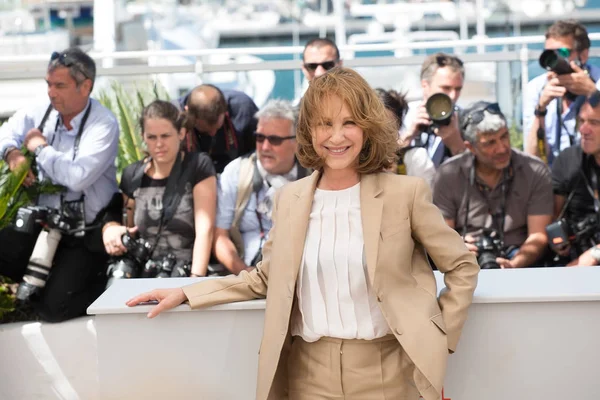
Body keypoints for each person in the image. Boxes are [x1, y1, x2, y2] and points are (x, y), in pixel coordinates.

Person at [128, 67, 479, 400]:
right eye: (324, 123)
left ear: (368, 127)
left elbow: (462, 266)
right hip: (308, 376)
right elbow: (264, 278)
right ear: (309, 130)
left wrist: (439, 334)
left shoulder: (406, 193)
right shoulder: (290, 199)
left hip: (390, 372)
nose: (336, 136)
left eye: (349, 123)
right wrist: (187, 293)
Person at [0, 47, 119, 321]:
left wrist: (39, 148)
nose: (51, 93)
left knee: (54, 310)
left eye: (60, 85)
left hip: (84, 234)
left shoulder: (103, 124)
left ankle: (96, 286)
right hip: (42, 227)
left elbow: (78, 177)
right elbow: (6, 130)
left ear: (85, 86)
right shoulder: (43, 110)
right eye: (48, 85)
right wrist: (12, 153)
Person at [102, 100, 217, 281]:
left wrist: (195, 281)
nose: (159, 144)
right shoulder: (133, 175)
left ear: (181, 133)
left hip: (184, 270)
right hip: (143, 272)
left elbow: (206, 229)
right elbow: (127, 224)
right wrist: (112, 230)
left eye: (165, 136)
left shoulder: (197, 166)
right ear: (143, 136)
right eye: (151, 137)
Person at [433, 101, 553, 269]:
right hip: (465, 263)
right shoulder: (448, 174)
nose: (502, 148)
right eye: (490, 143)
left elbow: (538, 236)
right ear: (470, 147)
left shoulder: (534, 170)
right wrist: (456, 247)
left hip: (521, 261)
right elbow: (441, 235)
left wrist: (514, 264)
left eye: (504, 136)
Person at [213, 99, 308, 275]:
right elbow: (220, 237)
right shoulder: (237, 172)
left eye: (274, 140)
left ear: (297, 142)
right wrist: (244, 272)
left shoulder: (314, 176)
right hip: (249, 273)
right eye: (259, 138)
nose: (265, 147)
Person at [523, 19, 600, 165]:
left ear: (583, 55)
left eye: (562, 52)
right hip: (553, 179)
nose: (555, 61)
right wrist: (541, 110)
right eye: (549, 54)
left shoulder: (597, 81)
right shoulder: (536, 88)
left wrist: (593, 94)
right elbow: (533, 159)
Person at [550, 92, 600, 266]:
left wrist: (595, 254)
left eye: (594, 123)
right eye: (582, 121)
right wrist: (557, 240)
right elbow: (553, 216)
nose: (583, 130)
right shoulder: (568, 160)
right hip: (574, 260)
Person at [400, 52, 466, 167]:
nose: (453, 96)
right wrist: (409, 136)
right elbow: (383, 163)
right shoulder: (403, 115)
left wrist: (456, 143)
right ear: (425, 85)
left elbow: (479, 172)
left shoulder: (465, 119)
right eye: (446, 88)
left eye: (458, 89)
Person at [177, 84, 258, 173]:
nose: (213, 133)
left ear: (225, 110)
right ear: (188, 112)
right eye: (205, 131)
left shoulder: (242, 108)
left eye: (217, 128)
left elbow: (258, 151)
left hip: (238, 173)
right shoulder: (172, 119)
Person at [376, 88, 436, 187]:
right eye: (374, 125)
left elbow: (429, 199)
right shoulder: (350, 161)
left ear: (398, 128)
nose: (379, 133)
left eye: (388, 126)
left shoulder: (415, 159)